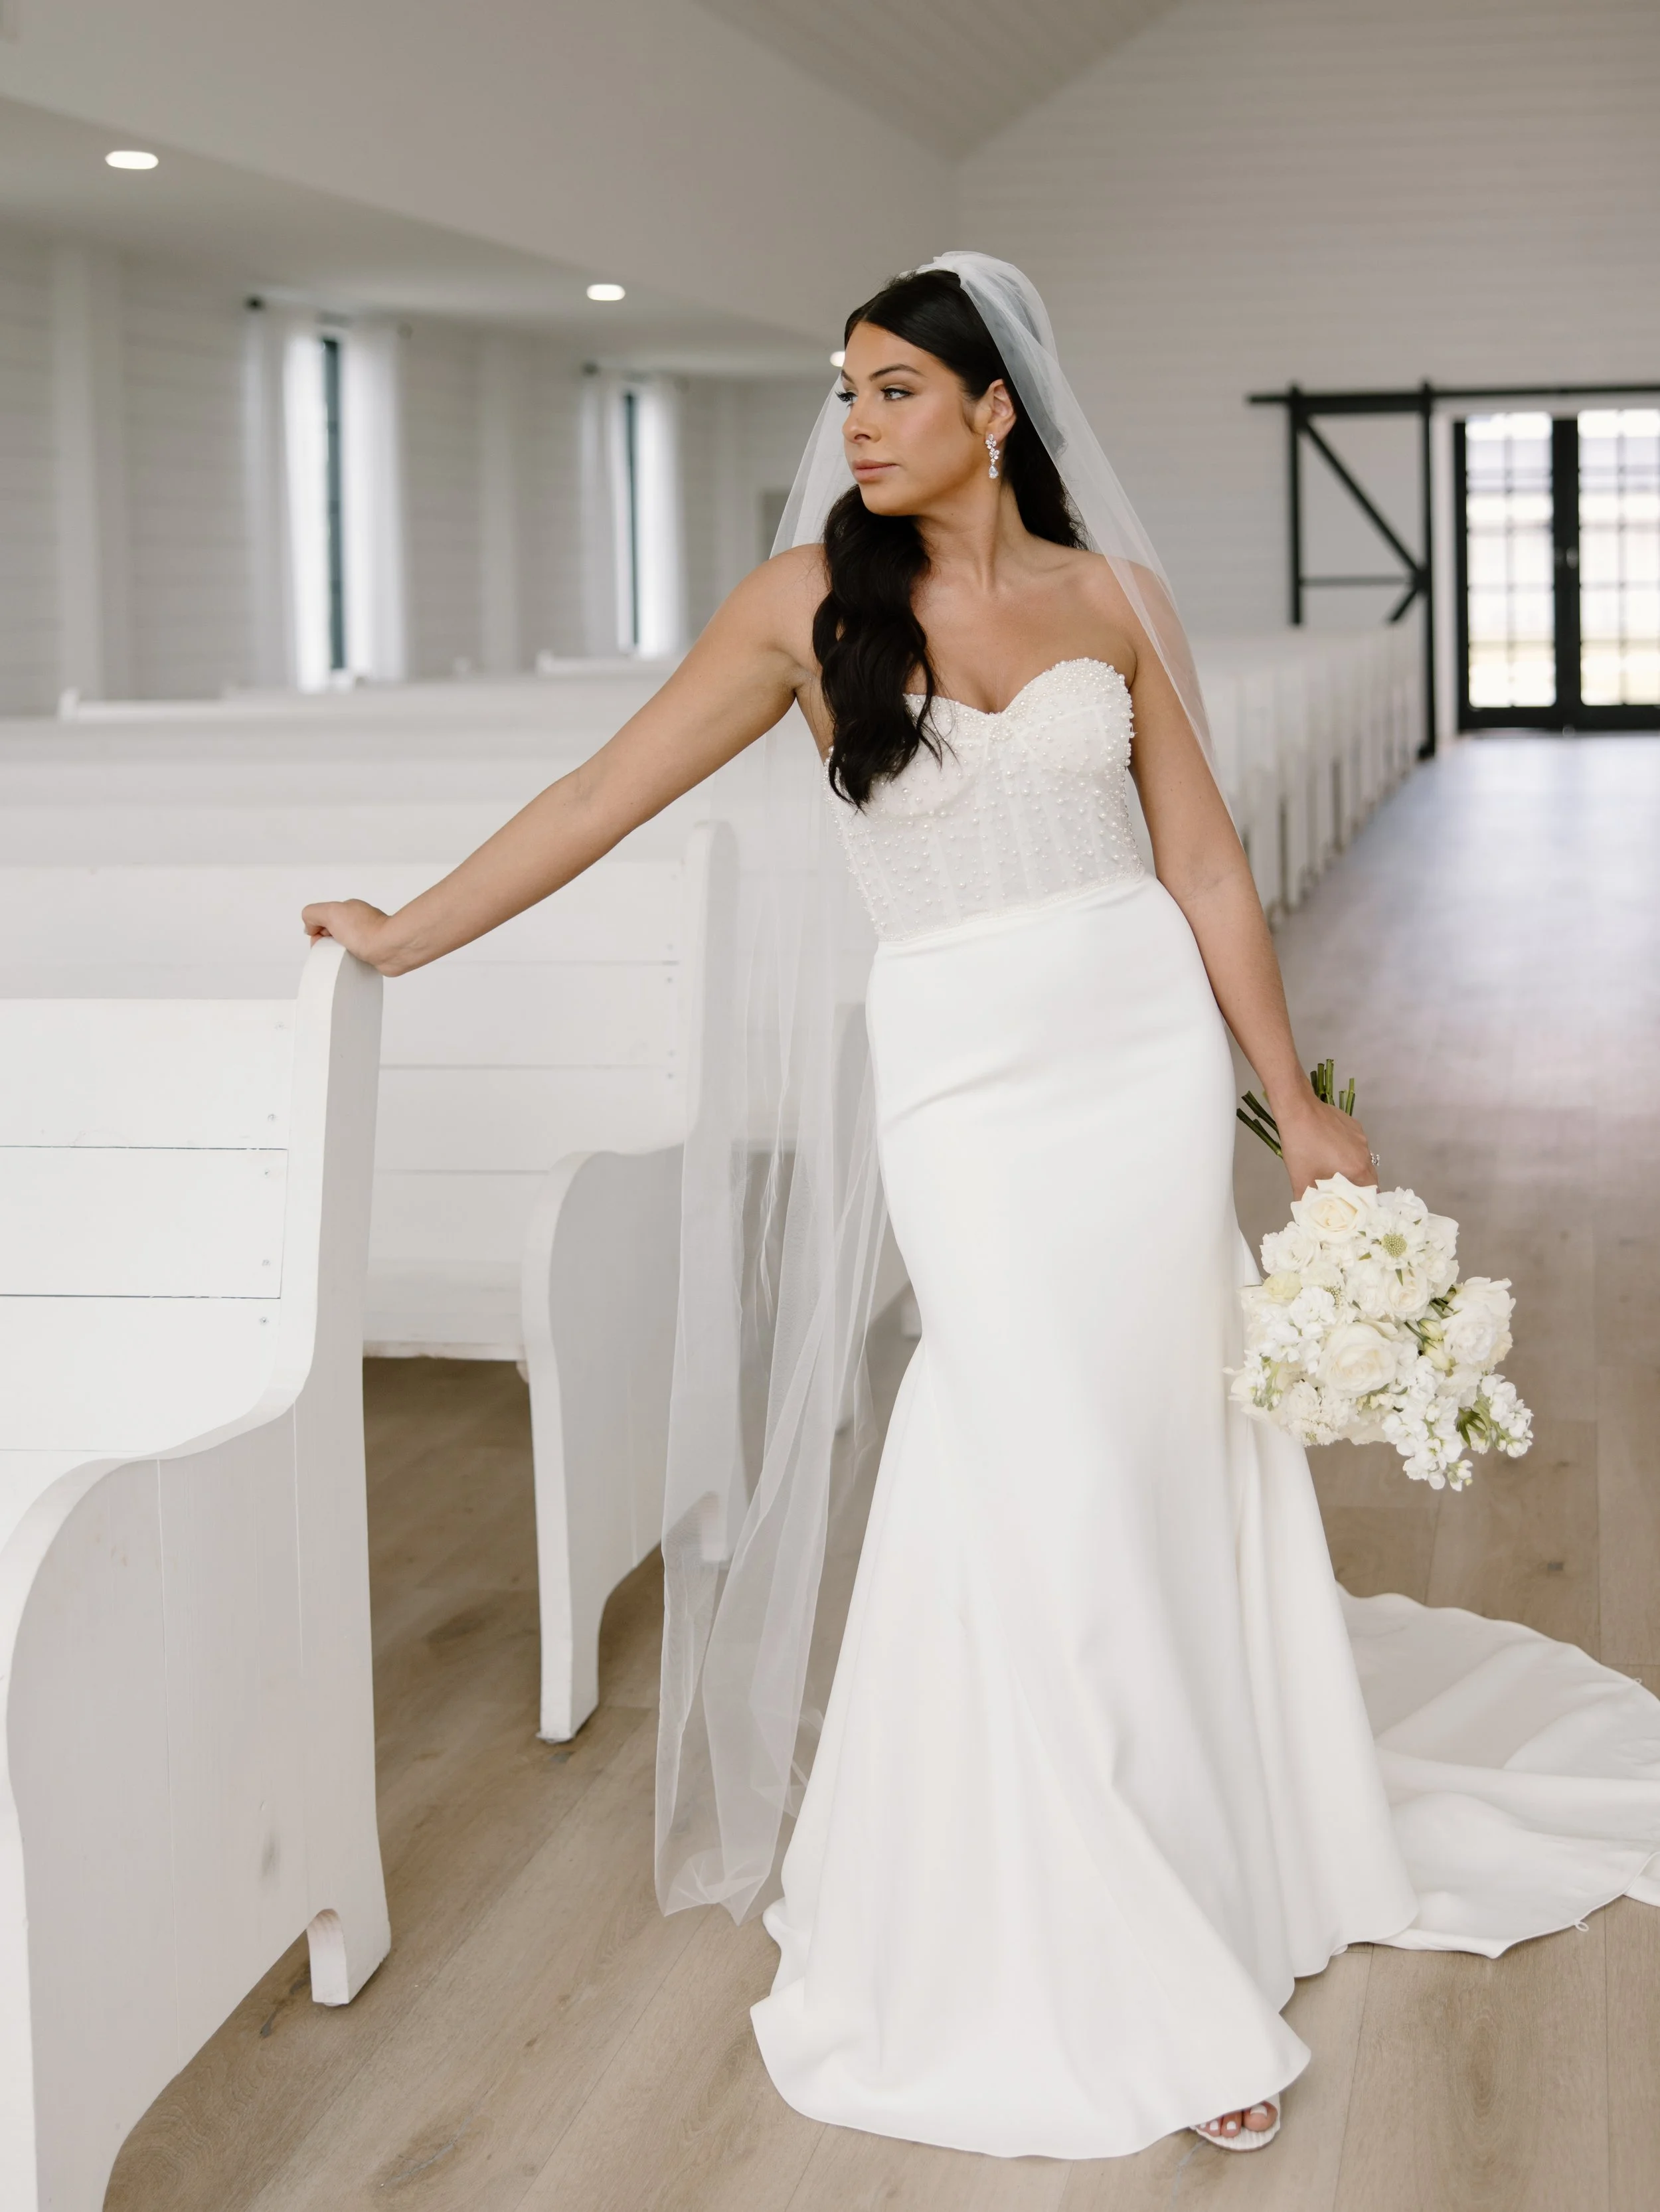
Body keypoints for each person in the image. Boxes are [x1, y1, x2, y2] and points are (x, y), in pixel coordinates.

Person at [305, 253, 1660, 2162]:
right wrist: (406, 933)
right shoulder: (800, 610)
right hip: (960, 1078)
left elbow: (1195, 863)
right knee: (1022, 1450)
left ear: (994, 408)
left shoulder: (1113, 601)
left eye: (891, 392)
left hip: (1134, 1064)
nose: (852, 425)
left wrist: (1293, 1106)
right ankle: (1126, 1954)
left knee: (1146, 1450)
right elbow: (610, 785)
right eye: (842, 393)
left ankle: (1201, 1833)